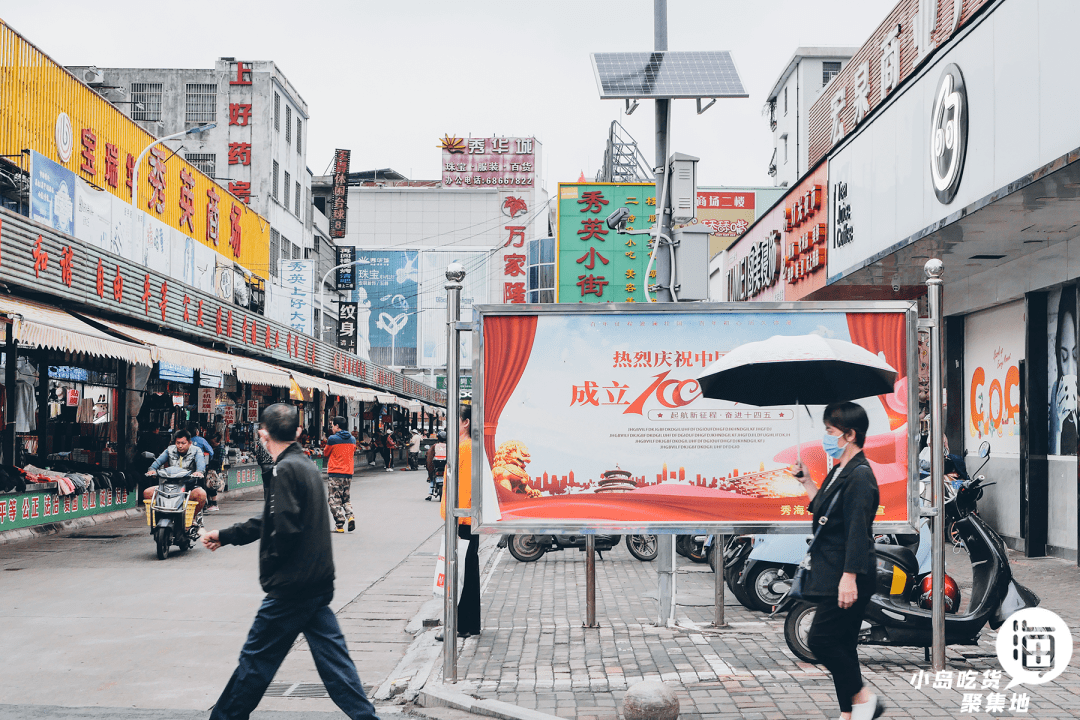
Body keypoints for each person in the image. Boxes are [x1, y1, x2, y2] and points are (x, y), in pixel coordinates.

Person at [201, 404, 380, 720]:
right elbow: (270, 519)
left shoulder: (283, 470)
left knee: (255, 661)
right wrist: (226, 534)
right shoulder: (306, 465)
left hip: (291, 588)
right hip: (316, 584)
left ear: (263, 434)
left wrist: (271, 567)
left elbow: (282, 526)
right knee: (336, 664)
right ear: (298, 433)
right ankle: (367, 717)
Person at [790, 403, 884, 720]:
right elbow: (825, 511)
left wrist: (849, 577)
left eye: (830, 432)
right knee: (843, 643)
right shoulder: (840, 469)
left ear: (849, 434)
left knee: (821, 640)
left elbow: (858, 532)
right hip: (833, 569)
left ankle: (864, 697)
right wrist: (806, 482)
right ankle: (849, 713)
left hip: (845, 574)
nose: (826, 437)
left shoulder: (860, 476)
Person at [438, 406, 480, 640]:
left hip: (462, 518)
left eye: (455, 419)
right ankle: (468, 624)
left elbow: (463, 487)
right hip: (465, 517)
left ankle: (461, 625)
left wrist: (458, 517)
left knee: (461, 572)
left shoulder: (464, 448)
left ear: (464, 423)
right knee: (468, 571)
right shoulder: (466, 446)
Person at [144, 429, 208, 517]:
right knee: (147, 493)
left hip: (189, 486)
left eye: (183, 443)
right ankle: (160, 516)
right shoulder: (170, 450)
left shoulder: (197, 451)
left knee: (201, 494)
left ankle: (192, 518)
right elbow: (158, 462)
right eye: (178, 443)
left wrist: (199, 472)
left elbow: (200, 464)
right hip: (169, 485)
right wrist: (152, 469)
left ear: (190, 443)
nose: (180, 446)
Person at [1051, 288, 1078, 455]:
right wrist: (1058, 427)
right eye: (1063, 356)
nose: (1070, 369)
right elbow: (1052, 454)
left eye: (1076, 356)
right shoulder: (1057, 390)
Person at [323, 416, 357, 533]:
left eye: (332, 425)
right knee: (346, 498)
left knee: (333, 500)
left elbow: (326, 453)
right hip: (348, 473)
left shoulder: (332, 439)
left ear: (337, 426)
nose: (331, 428)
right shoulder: (352, 439)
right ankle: (350, 516)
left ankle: (339, 524)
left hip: (335, 472)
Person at [190, 426, 219, 512]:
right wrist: (207, 462)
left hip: (189, 468)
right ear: (197, 432)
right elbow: (211, 452)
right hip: (201, 467)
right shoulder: (201, 440)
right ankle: (203, 505)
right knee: (202, 485)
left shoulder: (187, 442)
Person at [425, 431, 447, 500]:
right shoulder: (448, 446)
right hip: (445, 464)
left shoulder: (435, 446)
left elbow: (429, 455)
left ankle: (429, 494)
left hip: (436, 464)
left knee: (432, 477)